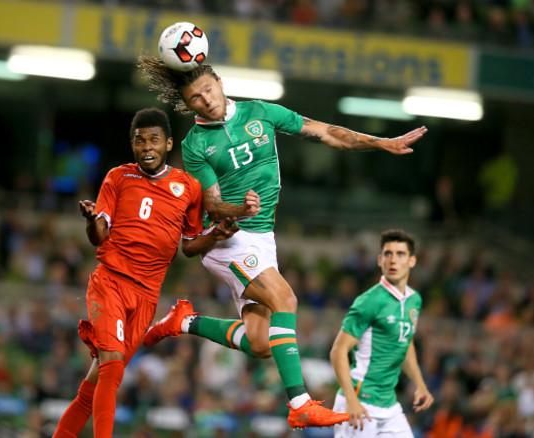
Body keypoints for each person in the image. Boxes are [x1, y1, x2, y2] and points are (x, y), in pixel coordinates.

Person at [137, 56, 427, 430]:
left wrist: (379, 143)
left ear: (220, 83)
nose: (205, 100)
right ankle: (300, 403)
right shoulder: (196, 144)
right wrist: (238, 209)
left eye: (208, 89)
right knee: (285, 298)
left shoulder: (261, 112)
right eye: (195, 98)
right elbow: (210, 202)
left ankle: (185, 320)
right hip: (229, 240)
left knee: (260, 343)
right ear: (188, 104)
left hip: (261, 237)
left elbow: (324, 132)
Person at [51, 107, 249, 438]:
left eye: (153, 140)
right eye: (140, 141)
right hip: (111, 282)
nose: (146, 147)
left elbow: (188, 246)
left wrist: (214, 235)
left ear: (168, 144)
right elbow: (99, 235)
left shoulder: (188, 187)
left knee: (94, 385)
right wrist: (90, 219)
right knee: (113, 367)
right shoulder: (118, 177)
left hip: (146, 296)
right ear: (132, 145)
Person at [329, 229, 434, 437]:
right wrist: (351, 401)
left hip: (389, 405)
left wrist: (420, 384)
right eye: (388, 254)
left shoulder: (414, 300)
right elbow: (338, 351)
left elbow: (405, 343)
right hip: (359, 401)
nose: (393, 260)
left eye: (400, 254)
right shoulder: (369, 301)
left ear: (412, 261)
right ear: (379, 260)